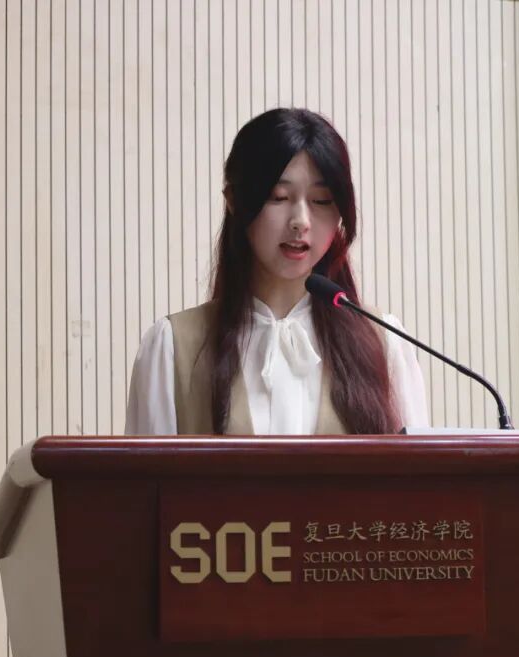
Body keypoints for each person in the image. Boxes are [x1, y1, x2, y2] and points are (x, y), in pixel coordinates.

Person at [124, 107, 428, 435]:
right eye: (278, 197)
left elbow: (421, 466)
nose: (301, 221)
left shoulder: (383, 343)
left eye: (321, 200)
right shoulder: (173, 348)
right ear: (234, 200)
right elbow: (146, 469)